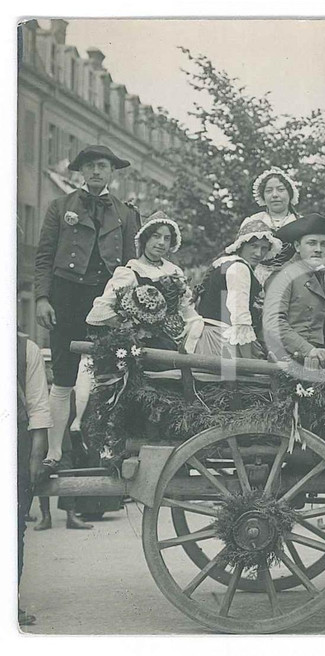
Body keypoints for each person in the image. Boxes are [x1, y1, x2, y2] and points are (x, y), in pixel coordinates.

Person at [34, 144, 140, 526]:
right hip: (66, 295)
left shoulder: (126, 214)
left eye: (104, 166)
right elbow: (44, 256)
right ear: (80, 171)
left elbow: (130, 264)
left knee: (111, 376)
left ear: (112, 172)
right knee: (62, 375)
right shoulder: (60, 207)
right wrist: (43, 298)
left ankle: (111, 448)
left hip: (107, 297)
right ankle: (56, 450)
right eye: (91, 166)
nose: (97, 172)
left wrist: (127, 308)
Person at [87, 211, 204, 354]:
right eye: (156, 236)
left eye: (167, 238)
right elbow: (101, 309)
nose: (161, 242)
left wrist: (196, 328)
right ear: (145, 239)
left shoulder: (174, 271)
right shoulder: (131, 271)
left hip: (178, 337)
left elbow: (186, 308)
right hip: (147, 344)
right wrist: (130, 327)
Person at [262, 213, 325, 368]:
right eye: (312, 243)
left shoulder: (318, 275)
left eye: (324, 244)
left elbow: (322, 320)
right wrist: (308, 349)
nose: (318, 249)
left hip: (315, 359)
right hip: (288, 360)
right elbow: (273, 324)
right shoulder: (284, 275)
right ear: (297, 246)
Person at [195, 219, 282, 358]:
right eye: (254, 246)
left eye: (264, 248)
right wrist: (248, 362)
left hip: (206, 339)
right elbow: (240, 317)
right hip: (222, 342)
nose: (258, 253)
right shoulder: (239, 268)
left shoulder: (224, 262)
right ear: (241, 245)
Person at [17, 332, 51, 625]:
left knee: (13, 527)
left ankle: (8, 602)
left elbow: (38, 407)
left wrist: (36, 456)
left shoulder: (26, 350)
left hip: (14, 444)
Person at [241, 167, 300, 284]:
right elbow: (242, 254)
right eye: (268, 191)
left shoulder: (301, 222)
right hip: (257, 278)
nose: (274, 195)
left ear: (290, 194)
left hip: (293, 279)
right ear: (263, 196)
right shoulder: (254, 221)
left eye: (280, 189)